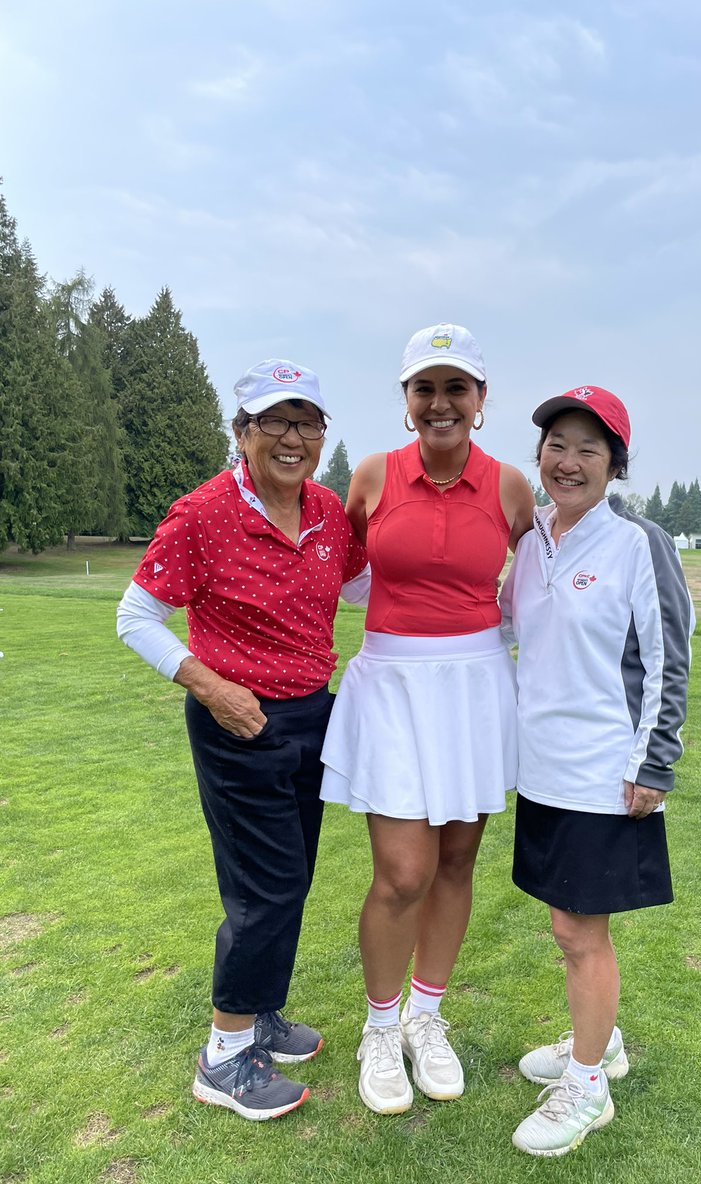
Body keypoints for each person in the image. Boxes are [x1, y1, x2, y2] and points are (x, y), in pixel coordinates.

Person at [116, 359, 369, 1120]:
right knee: (266, 888)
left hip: (309, 715)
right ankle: (224, 1054)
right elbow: (135, 617)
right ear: (243, 433)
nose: (293, 438)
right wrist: (211, 687)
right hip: (237, 719)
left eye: (308, 423)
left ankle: (261, 1015)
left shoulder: (326, 509)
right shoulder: (201, 513)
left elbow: (361, 589)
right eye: (275, 423)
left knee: (293, 875)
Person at [320, 323, 535, 1114]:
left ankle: (426, 1017)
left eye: (456, 388)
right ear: (406, 401)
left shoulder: (511, 486)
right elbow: (332, 570)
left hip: (477, 689)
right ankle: (380, 1028)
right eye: (425, 389)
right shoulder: (374, 474)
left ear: (481, 401)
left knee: (455, 863)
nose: (440, 403)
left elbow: (539, 581)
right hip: (394, 685)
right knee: (403, 871)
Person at [499, 385, 694, 1156]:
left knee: (581, 933)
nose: (568, 461)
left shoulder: (638, 542)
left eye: (588, 447)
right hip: (542, 769)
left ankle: (585, 1090)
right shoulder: (532, 539)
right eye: (556, 445)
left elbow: (669, 655)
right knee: (564, 924)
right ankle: (598, 1043)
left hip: (605, 773)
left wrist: (655, 762)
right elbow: (512, 626)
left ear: (615, 461)